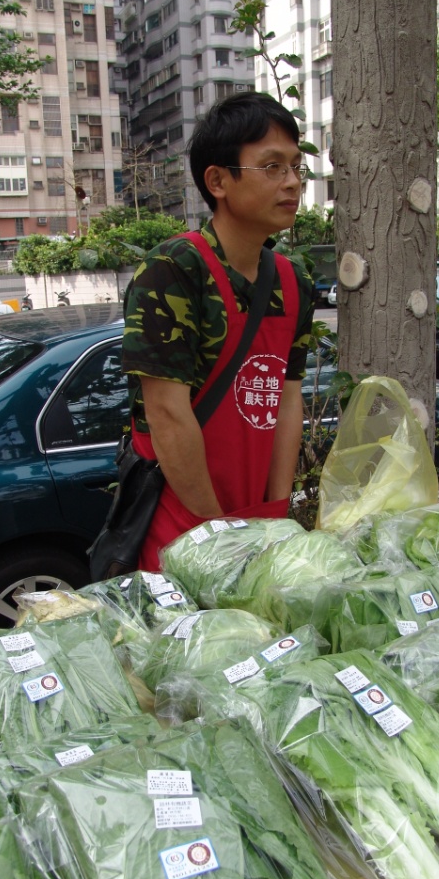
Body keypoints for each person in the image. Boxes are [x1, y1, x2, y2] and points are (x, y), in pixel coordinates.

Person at [121, 92, 316, 571]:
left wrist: (275, 515)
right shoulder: (174, 271)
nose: (292, 182)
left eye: (295, 166)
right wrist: (218, 536)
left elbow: (287, 402)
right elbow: (167, 416)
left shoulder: (294, 284)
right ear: (218, 180)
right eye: (271, 167)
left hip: (256, 527)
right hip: (182, 532)